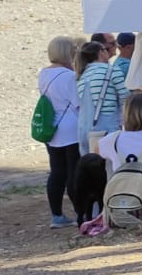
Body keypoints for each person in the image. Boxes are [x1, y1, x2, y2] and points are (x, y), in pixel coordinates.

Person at [39, 36, 84, 228]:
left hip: (53, 128)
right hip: (71, 129)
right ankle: (81, 213)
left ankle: (56, 214)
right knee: (74, 173)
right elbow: (78, 104)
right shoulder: (68, 76)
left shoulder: (43, 74)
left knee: (57, 173)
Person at [75, 40, 128, 155]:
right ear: (101, 52)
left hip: (84, 129)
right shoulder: (111, 70)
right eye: (106, 49)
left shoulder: (82, 75)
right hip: (108, 128)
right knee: (110, 165)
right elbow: (126, 99)